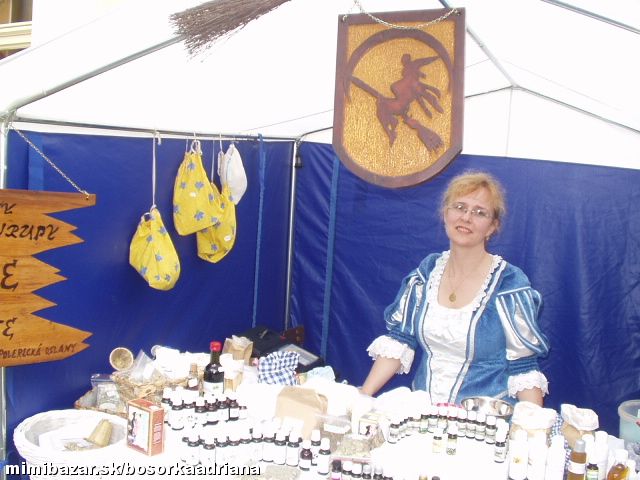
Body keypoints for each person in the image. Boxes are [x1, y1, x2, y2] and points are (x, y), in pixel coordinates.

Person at [360, 171, 550, 406]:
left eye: (480, 212)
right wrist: (364, 394)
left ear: (492, 227)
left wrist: (532, 423)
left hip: (484, 420)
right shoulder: (428, 271)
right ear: (445, 214)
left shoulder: (509, 283)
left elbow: (524, 368)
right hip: (424, 413)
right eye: (459, 207)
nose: (466, 217)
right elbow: (401, 339)